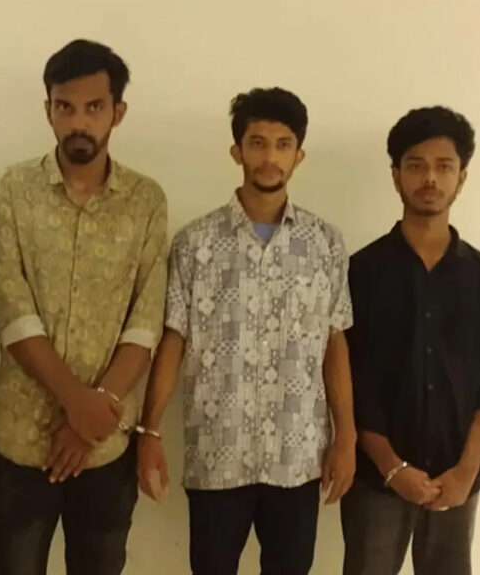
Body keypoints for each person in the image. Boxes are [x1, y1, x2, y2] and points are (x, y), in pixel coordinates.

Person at [137, 87, 356, 575]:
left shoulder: (325, 243)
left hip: (297, 456)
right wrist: (149, 430)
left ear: (299, 155)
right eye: (257, 143)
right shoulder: (195, 244)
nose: (270, 157)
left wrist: (347, 437)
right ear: (237, 151)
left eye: (283, 144)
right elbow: (173, 340)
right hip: (218, 453)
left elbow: (334, 342)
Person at [0, 39, 168, 575]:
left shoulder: (146, 201)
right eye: (65, 107)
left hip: (105, 447)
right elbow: (10, 310)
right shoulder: (12, 191)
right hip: (21, 440)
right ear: (48, 111)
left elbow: (146, 321)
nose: (78, 122)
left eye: (94, 107)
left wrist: (95, 412)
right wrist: (78, 404)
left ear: (118, 112)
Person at [341, 106, 480, 575]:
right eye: (416, 166)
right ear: (396, 175)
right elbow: (355, 383)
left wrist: (465, 472)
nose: (430, 178)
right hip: (377, 479)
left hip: (456, 479)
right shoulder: (361, 272)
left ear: (462, 178)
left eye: (444, 166)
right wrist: (393, 468)